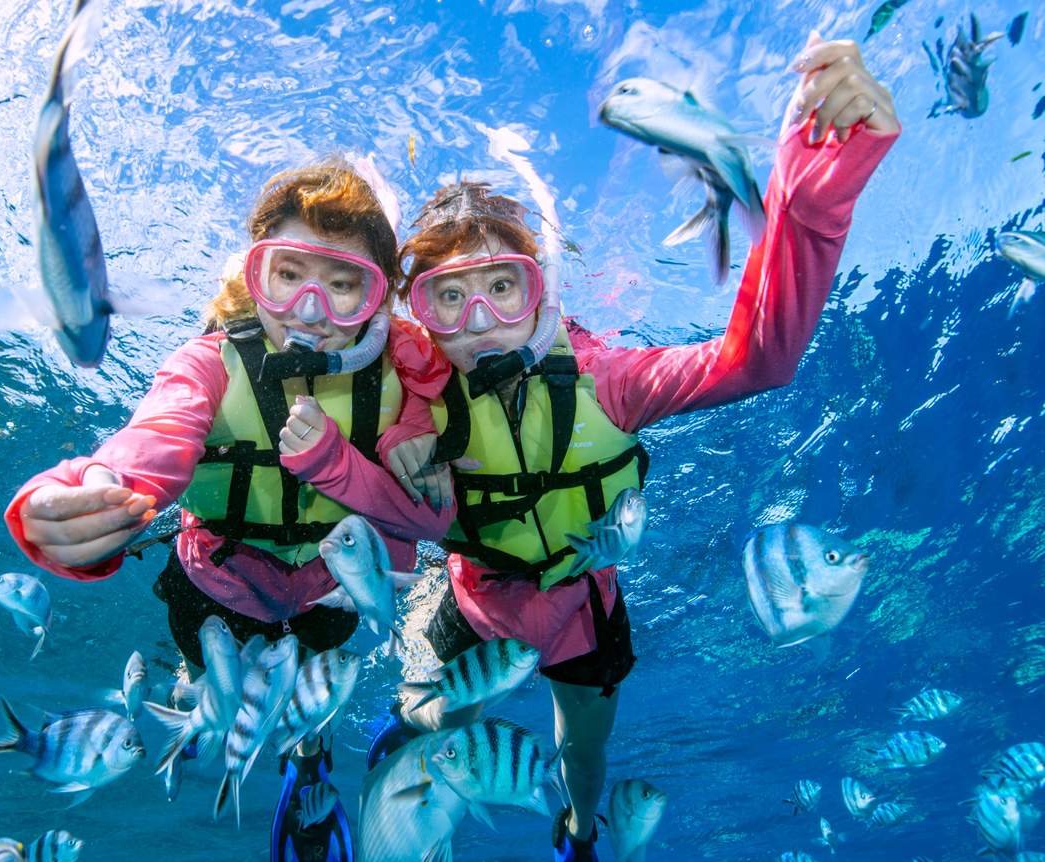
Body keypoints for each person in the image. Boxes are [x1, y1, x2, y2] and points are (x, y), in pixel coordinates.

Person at [380, 34, 901, 862]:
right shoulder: (407, 399)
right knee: (437, 718)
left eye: (501, 288)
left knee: (581, 754)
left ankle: (579, 835)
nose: (478, 322)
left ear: (538, 293)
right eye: (449, 298)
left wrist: (816, 182)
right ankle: (408, 763)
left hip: (580, 607)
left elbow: (760, 357)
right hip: (473, 596)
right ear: (422, 314)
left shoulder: (606, 380)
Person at [3, 159, 452, 862]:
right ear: (253, 276)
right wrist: (80, 489)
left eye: (344, 286)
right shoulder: (208, 363)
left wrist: (414, 438)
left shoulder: (411, 373)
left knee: (308, 701)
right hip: (215, 587)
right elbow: (151, 437)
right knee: (208, 685)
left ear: (378, 297)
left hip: (336, 590)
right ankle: (202, 701)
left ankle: (308, 765)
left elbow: (433, 442)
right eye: (289, 276)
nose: (311, 311)